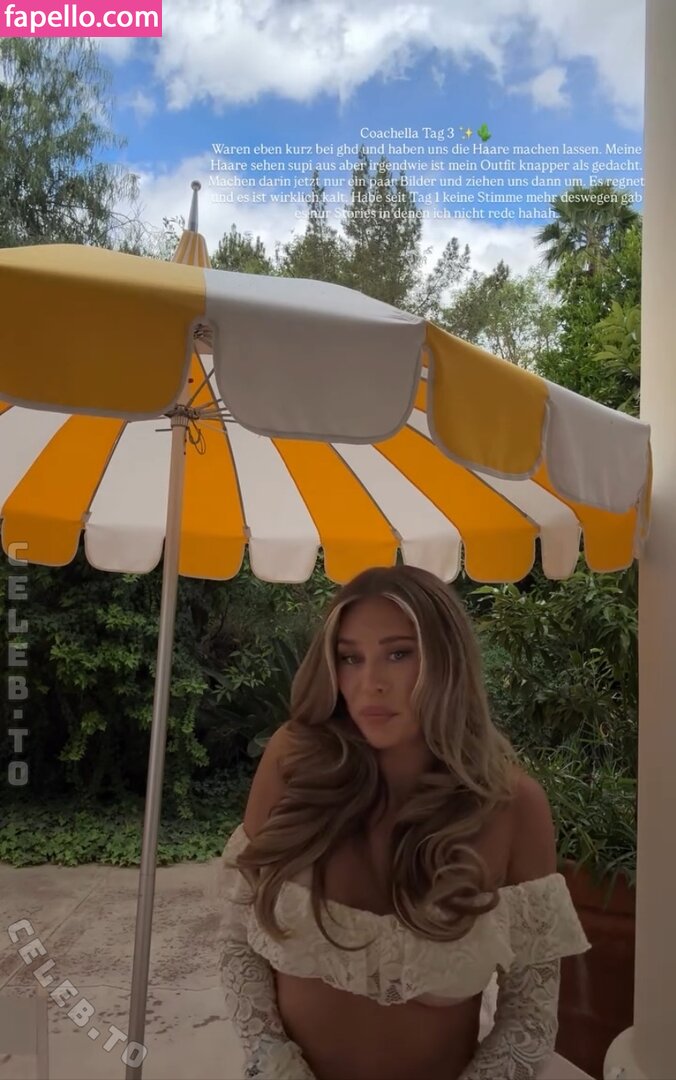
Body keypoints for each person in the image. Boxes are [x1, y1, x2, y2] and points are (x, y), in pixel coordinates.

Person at [217, 565, 590, 1080]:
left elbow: (529, 1017)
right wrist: (275, 1065)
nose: (370, 683)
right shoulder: (293, 762)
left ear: (447, 661)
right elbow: (238, 940)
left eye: (398, 654)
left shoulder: (512, 806)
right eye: (350, 657)